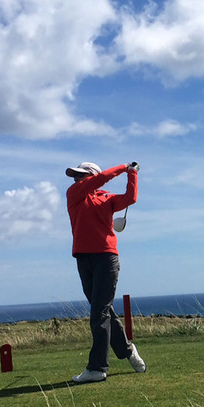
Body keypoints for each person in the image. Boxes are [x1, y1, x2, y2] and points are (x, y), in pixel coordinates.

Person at [65, 160, 145, 383]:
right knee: (103, 311)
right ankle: (128, 351)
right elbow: (101, 179)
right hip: (83, 258)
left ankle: (98, 368)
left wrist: (132, 174)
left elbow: (131, 198)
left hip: (107, 258)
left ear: (90, 177)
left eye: (81, 176)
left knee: (99, 312)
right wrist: (123, 167)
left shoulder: (107, 199)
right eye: (76, 176)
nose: (76, 179)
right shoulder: (74, 194)